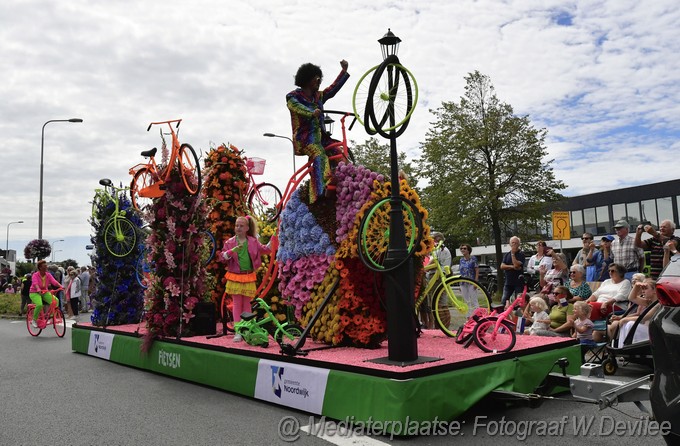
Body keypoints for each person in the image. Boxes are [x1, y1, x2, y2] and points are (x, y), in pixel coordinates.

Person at [286, 60, 349, 203]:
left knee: (340, 154)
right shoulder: (293, 97)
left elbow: (332, 89)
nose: (319, 81)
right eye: (317, 78)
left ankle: (344, 185)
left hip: (322, 138)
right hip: (305, 139)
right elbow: (295, 107)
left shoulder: (318, 96)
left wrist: (343, 72)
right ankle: (320, 193)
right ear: (308, 79)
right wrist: (310, 112)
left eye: (320, 79)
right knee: (319, 154)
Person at [221, 216, 274, 342]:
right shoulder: (230, 243)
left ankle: (248, 329)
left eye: (241, 226)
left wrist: (274, 237)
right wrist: (231, 251)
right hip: (235, 276)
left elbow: (266, 249)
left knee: (247, 305)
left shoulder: (253, 241)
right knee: (237, 304)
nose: (238, 228)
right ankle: (238, 331)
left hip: (248, 276)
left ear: (247, 228)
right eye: (236, 225)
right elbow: (222, 257)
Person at [607, 277, 658, 342]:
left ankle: (625, 346)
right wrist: (636, 286)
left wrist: (624, 319)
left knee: (630, 323)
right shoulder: (649, 302)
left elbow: (644, 318)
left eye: (645, 288)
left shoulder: (658, 304)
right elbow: (631, 298)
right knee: (626, 323)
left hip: (652, 333)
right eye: (642, 289)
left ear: (655, 291)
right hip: (645, 329)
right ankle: (622, 346)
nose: (643, 291)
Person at [28, 260, 63, 328]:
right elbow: (35, 283)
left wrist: (61, 286)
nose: (46, 267)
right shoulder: (35, 275)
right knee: (39, 304)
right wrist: (38, 289)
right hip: (34, 292)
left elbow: (54, 282)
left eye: (46, 265)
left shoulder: (48, 274)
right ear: (40, 267)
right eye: (45, 266)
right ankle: (34, 320)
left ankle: (52, 317)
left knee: (56, 301)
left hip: (44, 292)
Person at [500, 236, 525, 306]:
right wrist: (511, 267)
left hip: (518, 282)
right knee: (504, 300)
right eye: (512, 243)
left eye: (516, 243)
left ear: (518, 244)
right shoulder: (507, 255)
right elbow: (502, 266)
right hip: (508, 282)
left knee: (519, 302)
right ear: (510, 244)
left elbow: (516, 265)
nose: (514, 245)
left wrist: (513, 254)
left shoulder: (521, 254)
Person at [458, 242, 479, 317]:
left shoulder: (473, 259)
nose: (462, 250)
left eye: (464, 248)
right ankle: (468, 317)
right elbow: (461, 271)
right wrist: (459, 284)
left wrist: (476, 282)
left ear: (468, 250)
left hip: (471, 282)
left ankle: (478, 316)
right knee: (466, 301)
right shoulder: (461, 260)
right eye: (461, 248)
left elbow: (476, 270)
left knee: (474, 300)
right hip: (463, 283)